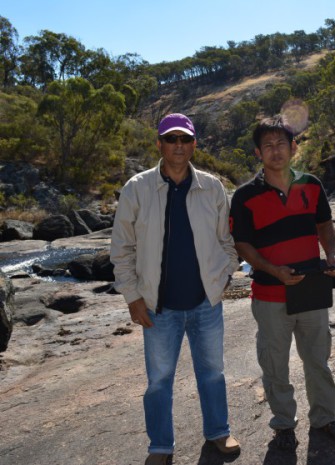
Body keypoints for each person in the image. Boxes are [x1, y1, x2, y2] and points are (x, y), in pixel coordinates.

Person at [110, 113, 241, 465]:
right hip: (158, 307)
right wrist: (133, 297)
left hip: (205, 304)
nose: (178, 145)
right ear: (159, 144)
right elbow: (121, 248)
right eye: (171, 139)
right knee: (158, 381)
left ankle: (218, 431)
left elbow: (226, 240)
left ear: (194, 144)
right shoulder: (137, 188)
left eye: (185, 139)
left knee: (212, 372)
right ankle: (160, 446)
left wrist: (224, 274)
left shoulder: (212, 187)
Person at [229, 115, 335, 450]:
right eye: (267, 145)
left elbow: (324, 224)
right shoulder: (244, 197)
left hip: (312, 288)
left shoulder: (311, 184)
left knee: (318, 361)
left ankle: (325, 420)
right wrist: (273, 269)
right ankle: (284, 425)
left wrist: (331, 256)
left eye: (281, 143)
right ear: (258, 153)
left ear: (293, 147)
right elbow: (243, 245)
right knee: (274, 365)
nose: (275, 150)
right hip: (269, 294)